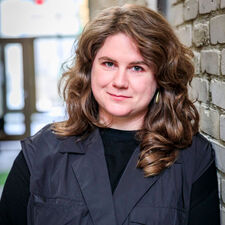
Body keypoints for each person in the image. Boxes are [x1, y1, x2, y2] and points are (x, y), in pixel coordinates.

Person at [0, 4, 220, 225]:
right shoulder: (41, 151)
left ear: (161, 77)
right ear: (89, 69)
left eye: (137, 68)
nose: (120, 82)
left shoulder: (193, 158)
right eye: (109, 64)